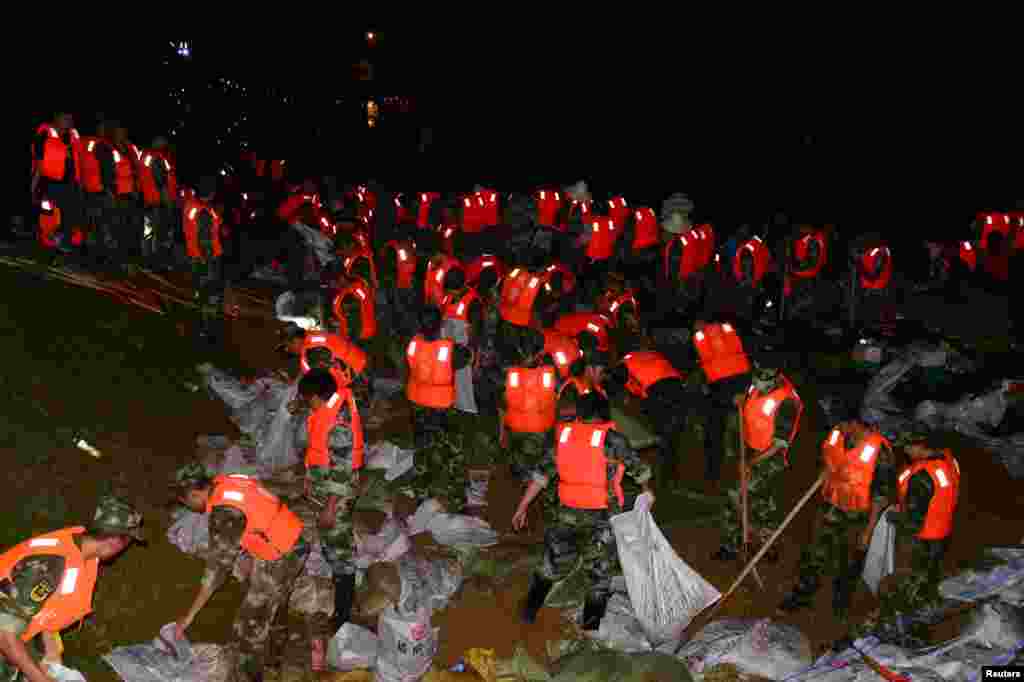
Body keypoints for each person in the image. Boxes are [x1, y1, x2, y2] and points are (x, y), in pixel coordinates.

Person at [512, 392, 653, 629]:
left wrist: (522, 506)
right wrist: (648, 491)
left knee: (551, 565)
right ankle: (590, 626)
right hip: (602, 518)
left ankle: (528, 611)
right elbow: (639, 470)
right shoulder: (613, 440)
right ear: (604, 414)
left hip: (566, 515)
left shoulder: (564, 437)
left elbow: (541, 476)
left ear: (580, 414)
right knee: (599, 576)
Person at [172, 465, 313, 682]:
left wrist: (188, 617)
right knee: (276, 602)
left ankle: (249, 677)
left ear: (194, 493)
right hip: (295, 536)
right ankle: (275, 657)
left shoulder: (223, 512)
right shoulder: (226, 482)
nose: (189, 508)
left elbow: (216, 572)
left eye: (186, 503)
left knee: (247, 631)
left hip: (281, 554)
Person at [0, 495, 144, 682]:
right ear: (116, 541)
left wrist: (51, 659)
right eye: (128, 543)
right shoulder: (48, 564)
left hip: (17, 638)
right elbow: (4, 633)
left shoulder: (84, 554)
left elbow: (48, 610)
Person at [778, 421, 898, 620]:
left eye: (846, 423)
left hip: (857, 516)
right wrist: (825, 473)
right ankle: (803, 592)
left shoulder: (880, 452)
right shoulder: (837, 434)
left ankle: (841, 601)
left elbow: (881, 495)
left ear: (859, 425)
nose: (840, 427)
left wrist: (868, 530)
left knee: (849, 559)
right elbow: (826, 461)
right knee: (815, 550)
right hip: (830, 506)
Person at [293, 369, 363, 632]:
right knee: (333, 545)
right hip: (326, 488)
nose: (306, 404)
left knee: (341, 552)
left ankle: (343, 616)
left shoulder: (339, 422)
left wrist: (330, 508)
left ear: (317, 396)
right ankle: (339, 583)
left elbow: (342, 470)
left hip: (337, 495)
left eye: (307, 399)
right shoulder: (329, 408)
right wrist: (310, 479)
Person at [713, 366, 803, 561]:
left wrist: (751, 462)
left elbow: (779, 445)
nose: (758, 386)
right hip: (751, 452)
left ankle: (763, 545)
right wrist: (740, 401)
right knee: (761, 504)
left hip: (771, 459)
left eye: (763, 382)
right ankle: (738, 544)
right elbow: (750, 405)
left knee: (738, 497)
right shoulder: (756, 387)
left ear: (777, 377)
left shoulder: (787, 402)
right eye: (756, 379)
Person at [882, 433, 960, 619]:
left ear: (921, 446)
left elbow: (912, 521)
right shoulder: (948, 460)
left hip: (922, 541)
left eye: (908, 447)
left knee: (909, 586)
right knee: (928, 580)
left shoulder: (921, 477)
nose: (906, 451)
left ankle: (904, 622)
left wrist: (895, 517)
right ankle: (923, 609)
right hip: (942, 533)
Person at [602, 349, 687, 496]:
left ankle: (663, 478)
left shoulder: (624, 365)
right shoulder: (637, 357)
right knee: (672, 435)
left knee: (662, 433)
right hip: (677, 386)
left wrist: (609, 395)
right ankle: (670, 476)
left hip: (659, 389)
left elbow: (615, 386)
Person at [692, 319, 753, 487]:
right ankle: (746, 468)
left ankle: (713, 474)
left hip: (719, 383)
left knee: (714, 430)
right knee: (744, 427)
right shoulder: (728, 328)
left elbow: (701, 363)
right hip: (742, 378)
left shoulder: (699, 336)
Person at [405, 306, 473, 451]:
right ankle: (442, 437)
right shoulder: (450, 349)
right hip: (440, 402)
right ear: (441, 324)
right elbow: (468, 357)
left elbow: (411, 364)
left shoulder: (413, 345)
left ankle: (425, 436)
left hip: (417, 397)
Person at [500, 327, 559, 479]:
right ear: (541, 351)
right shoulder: (550, 371)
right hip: (540, 430)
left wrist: (503, 433)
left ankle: (518, 471)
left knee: (518, 463)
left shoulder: (510, 371)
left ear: (520, 350)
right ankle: (529, 476)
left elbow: (504, 402)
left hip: (515, 428)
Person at [32, 112, 85, 258]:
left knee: (71, 216)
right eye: (66, 119)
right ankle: (47, 246)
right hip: (49, 183)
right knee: (49, 216)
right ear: (56, 119)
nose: (69, 122)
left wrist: (80, 183)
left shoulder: (73, 137)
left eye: (71, 119)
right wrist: (34, 185)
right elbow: (38, 162)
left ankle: (62, 244)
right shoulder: (45, 135)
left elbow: (79, 162)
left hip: (71, 184)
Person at [183, 177, 225, 341]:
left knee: (200, 291)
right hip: (206, 258)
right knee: (211, 292)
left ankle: (199, 322)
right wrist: (208, 261)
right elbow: (205, 239)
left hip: (194, 254)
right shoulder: (204, 213)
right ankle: (208, 328)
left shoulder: (191, 205)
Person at [440, 267, 484, 414]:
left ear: (460, 287)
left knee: (464, 383)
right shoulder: (447, 298)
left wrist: (473, 356)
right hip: (447, 348)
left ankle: (465, 410)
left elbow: (476, 332)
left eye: (451, 290)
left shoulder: (473, 302)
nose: (448, 294)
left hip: (464, 351)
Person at [109, 126, 144, 272]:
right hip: (118, 195)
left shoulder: (131, 149)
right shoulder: (110, 149)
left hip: (133, 195)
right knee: (121, 229)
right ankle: (121, 261)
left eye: (124, 133)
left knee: (134, 228)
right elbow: (108, 173)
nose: (122, 135)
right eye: (119, 133)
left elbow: (137, 169)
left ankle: (132, 260)